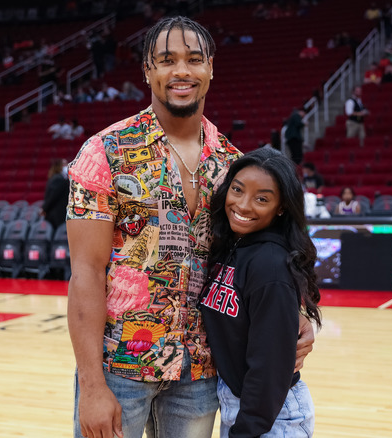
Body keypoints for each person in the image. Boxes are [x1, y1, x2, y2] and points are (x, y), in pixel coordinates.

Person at [67, 16, 315, 438]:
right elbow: (86, 273)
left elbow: (263, 253)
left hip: (200, 372)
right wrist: (91, 385)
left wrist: (297, 308)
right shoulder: (105, 152)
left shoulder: (232, 163)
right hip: (120, 367)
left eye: (194, 59)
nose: (181, 71)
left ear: (211, 67)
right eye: (166, 60)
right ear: (147, 70)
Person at [200, 147, 321, 437]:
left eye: (262, 199)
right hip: (242, 405)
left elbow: (269, 366)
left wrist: (247, 429)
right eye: (237, 190)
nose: (243, 205)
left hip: (271, 416)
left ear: (281, 207)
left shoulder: (270, 265)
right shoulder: (234, 247)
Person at [41, 158, 69, 229]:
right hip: (56, 214)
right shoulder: (58, 179)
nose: (67, 166)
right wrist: (44, 209)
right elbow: (52, 197)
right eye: (64, 164)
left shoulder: (61, 178)